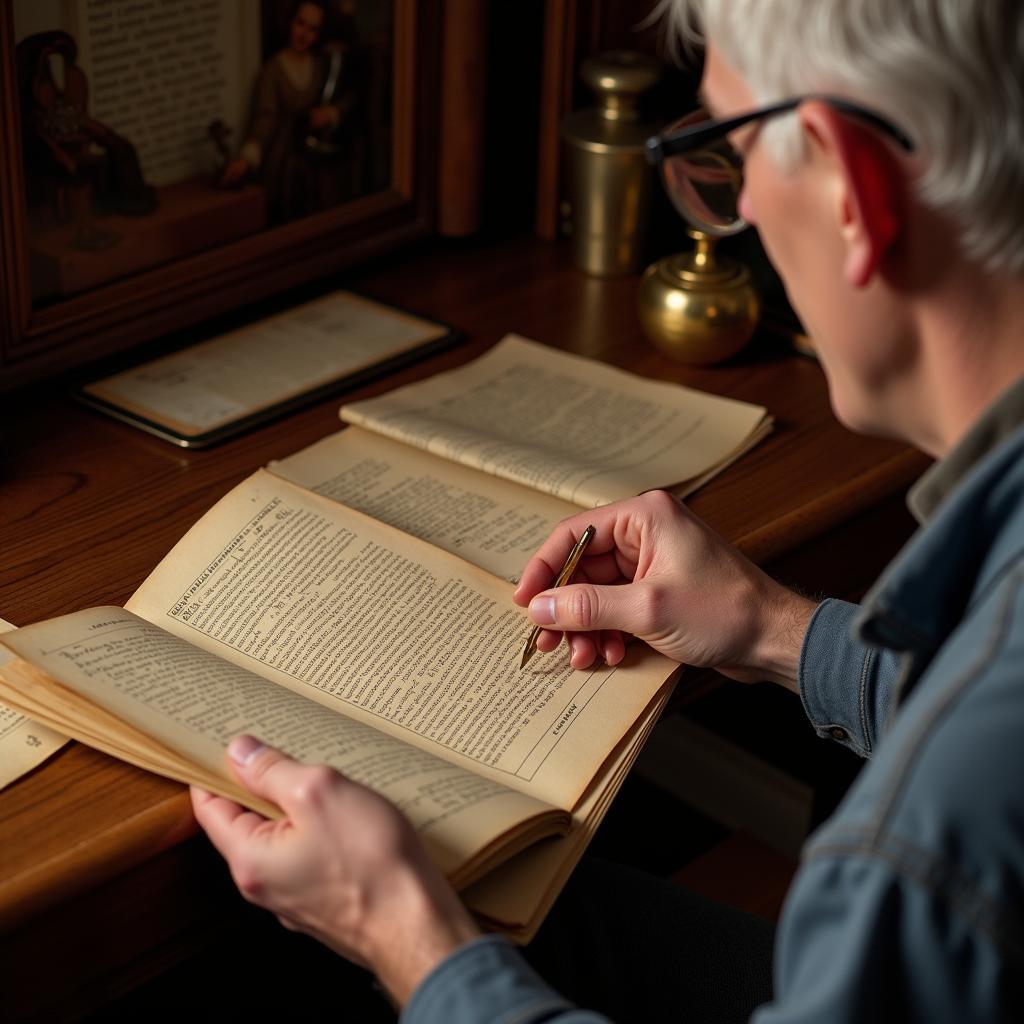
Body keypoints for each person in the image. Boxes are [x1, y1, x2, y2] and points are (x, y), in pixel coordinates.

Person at [191, 0, 1024, 1020]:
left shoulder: (921, 844)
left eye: (733, 150)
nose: (744, 209)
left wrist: (402, 931)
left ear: (852, 193)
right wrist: (777, 629)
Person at [220, 0, 357, 221]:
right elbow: (265, 119)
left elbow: (346, 97)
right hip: (283, 163)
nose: (304, 34)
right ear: (290, 23)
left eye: (312, 29)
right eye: (300, 24)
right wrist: (246, 158)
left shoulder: (321, 64)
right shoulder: (272, 70)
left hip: (315, 159)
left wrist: (331, 113)